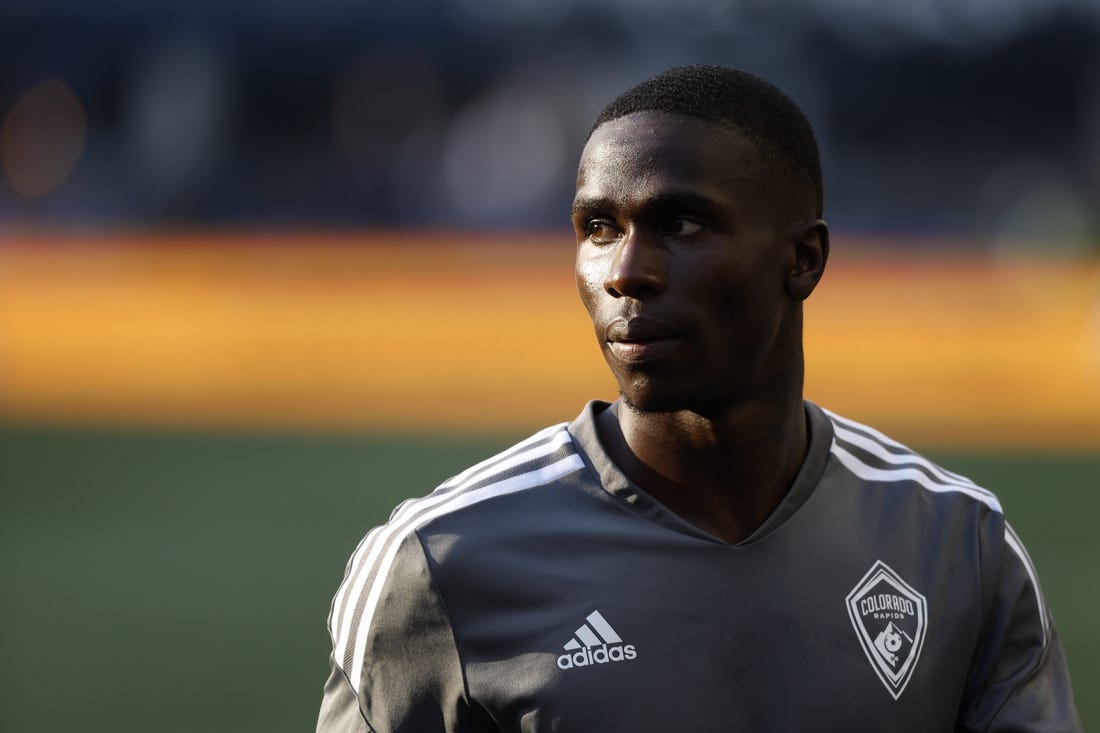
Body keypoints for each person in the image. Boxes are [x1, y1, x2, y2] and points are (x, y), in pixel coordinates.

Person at [315, 65, 1082, 732]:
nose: (626, 271)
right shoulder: (438, 562)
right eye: (598, 227)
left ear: (803, 258)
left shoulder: (957, 546)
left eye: (680, 223)